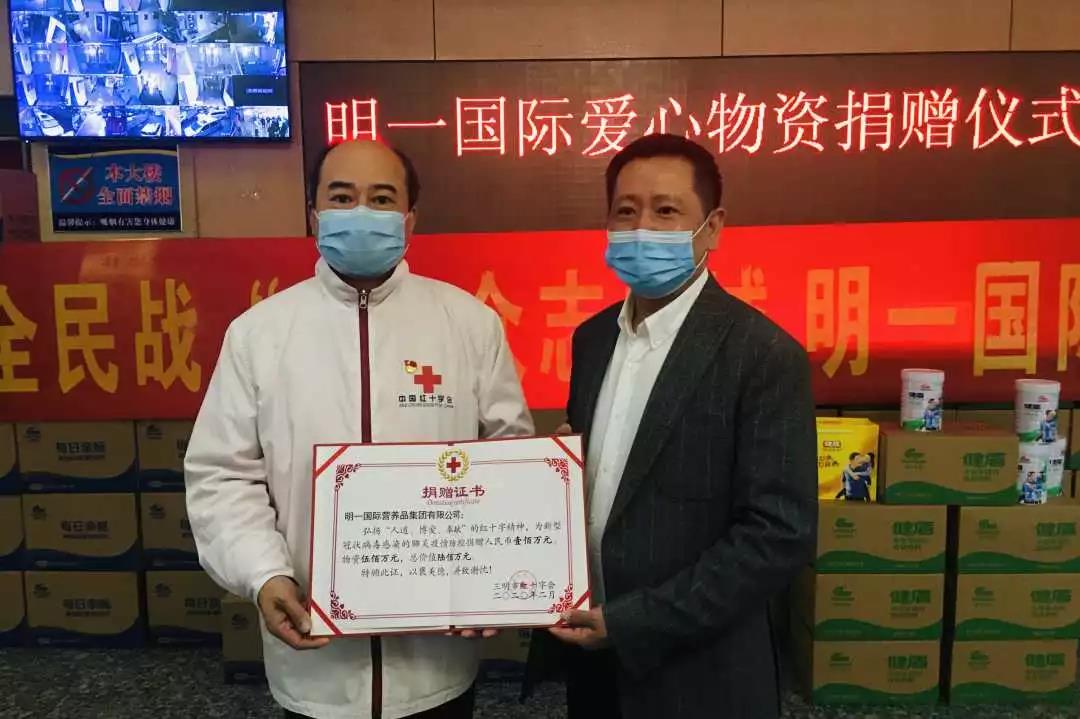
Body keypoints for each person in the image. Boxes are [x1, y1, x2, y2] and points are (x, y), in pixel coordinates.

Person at [185, 140, 534, 719]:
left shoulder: (469, 325)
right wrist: (264, 574)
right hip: (315, 658)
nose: (362, 213)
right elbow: (222, 475)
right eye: (342, 197)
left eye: (382, 198)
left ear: (410, 219)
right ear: (314, 214)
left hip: (437, 662)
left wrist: (493, 577)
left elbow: (510, 458)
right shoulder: (259, 335)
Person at [529, 134, 817, 718]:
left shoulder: (762, 354)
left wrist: (632, 623)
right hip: (592, 662)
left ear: (711, 228)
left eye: (666, 211)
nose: (642, 228)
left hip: (700, 674)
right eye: (625, 211)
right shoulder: (592, 339)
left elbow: (778, 534)